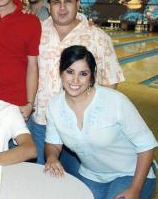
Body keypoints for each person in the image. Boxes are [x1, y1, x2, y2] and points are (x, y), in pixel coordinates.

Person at [44, 45, 156, 199]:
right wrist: (51, 157)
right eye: (70, 72)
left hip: (131, 173)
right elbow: (53, 143)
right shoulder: (54, 106)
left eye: (83, 73)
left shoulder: (115, 101)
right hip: (92, 175)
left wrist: (135, 189)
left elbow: (147, 145)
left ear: (91, 76)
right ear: (61, 72)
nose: (75, 80)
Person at [31, 0, 124, 167]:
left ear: (78, 4)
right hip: (42, 122)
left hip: (81, 127)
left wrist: (96, 118)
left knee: (78, 185)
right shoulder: (36, 32)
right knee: (42, 181)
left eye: (68, 1)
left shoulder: (97, 37)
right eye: (56, 2)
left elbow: (110, 82)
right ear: (48, 6)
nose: (62, 7)